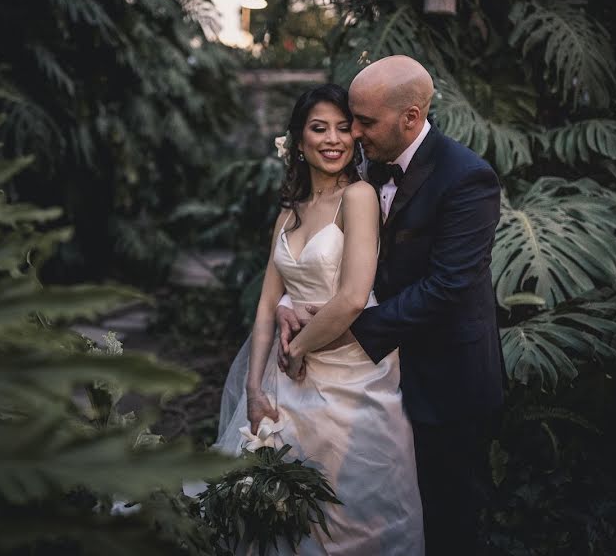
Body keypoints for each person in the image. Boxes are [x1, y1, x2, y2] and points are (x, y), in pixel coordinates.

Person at [277, 56, 505, 556]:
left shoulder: (467, 177)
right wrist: (290, 303)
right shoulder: (369, 165)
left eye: (364, 121)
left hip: (446, 377)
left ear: (411, 116)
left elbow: (446, 287)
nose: (353, 133)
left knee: (448, 517)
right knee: (375, 508)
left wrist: (343, 332)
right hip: (377, 377)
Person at [214, 83, 424, 555]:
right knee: (287, 511)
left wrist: (298, 348)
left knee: (354, 512)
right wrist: (253, 388)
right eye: (319, 128)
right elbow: (268, 304)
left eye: (344, 128)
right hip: (287, 379)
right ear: (298, 139)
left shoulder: (360, 197)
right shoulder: (289, 213)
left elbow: (352, 297)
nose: (333, 139)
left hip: (353, 370)